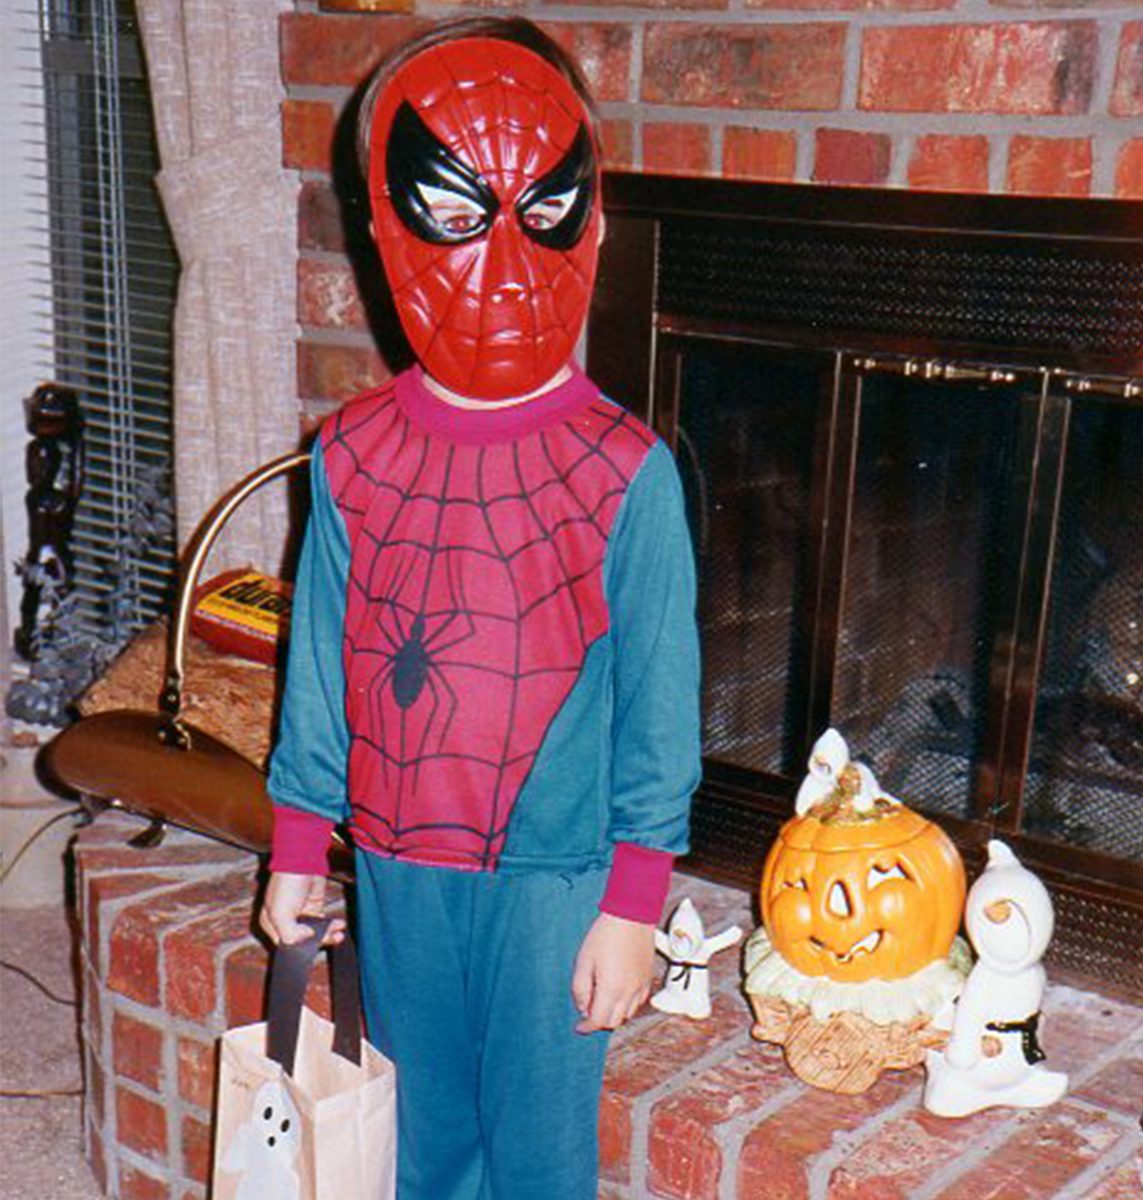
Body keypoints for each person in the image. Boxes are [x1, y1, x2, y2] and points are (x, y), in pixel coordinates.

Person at [258, 17, 701, 1200]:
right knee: (421, 1147)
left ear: (589, 223)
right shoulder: (349, 453)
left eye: (539, 214)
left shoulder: (625, 469)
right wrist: (302, 850)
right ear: (387, 233)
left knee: (542, 1157)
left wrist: (633, 905)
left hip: (556, 879)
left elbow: (661, 712)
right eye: (456, 217)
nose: (500, 265)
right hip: (398, 868)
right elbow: (321, 668)